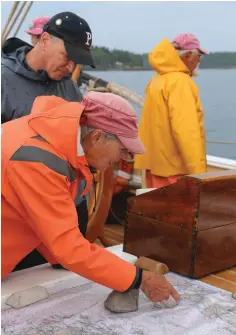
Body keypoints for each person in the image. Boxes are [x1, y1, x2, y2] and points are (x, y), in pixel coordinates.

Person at [1, 91, 180, 304]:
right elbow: (68, 247)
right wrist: (138, 279)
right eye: (123, 149)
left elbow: (40, 218)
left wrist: (60, 258)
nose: (124, 158)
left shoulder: (49, 139)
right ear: (97, 137)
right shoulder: (37, 160)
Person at [1, 11, 94, 270]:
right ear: (43, 40)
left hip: (69, 209)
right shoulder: (3, 81)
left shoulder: (69, 87)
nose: (71, 68)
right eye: (67, 57)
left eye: (77, 62)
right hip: (20, 219)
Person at [135, 33, 208, 189]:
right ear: (188, 55)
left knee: (157, 212)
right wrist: (199, 174)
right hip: (174, 171)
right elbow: (186, 132)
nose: (199, 61)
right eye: (199, 55)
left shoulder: (157, 80)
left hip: (154, 168)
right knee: (178, 213)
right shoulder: (181, 82)